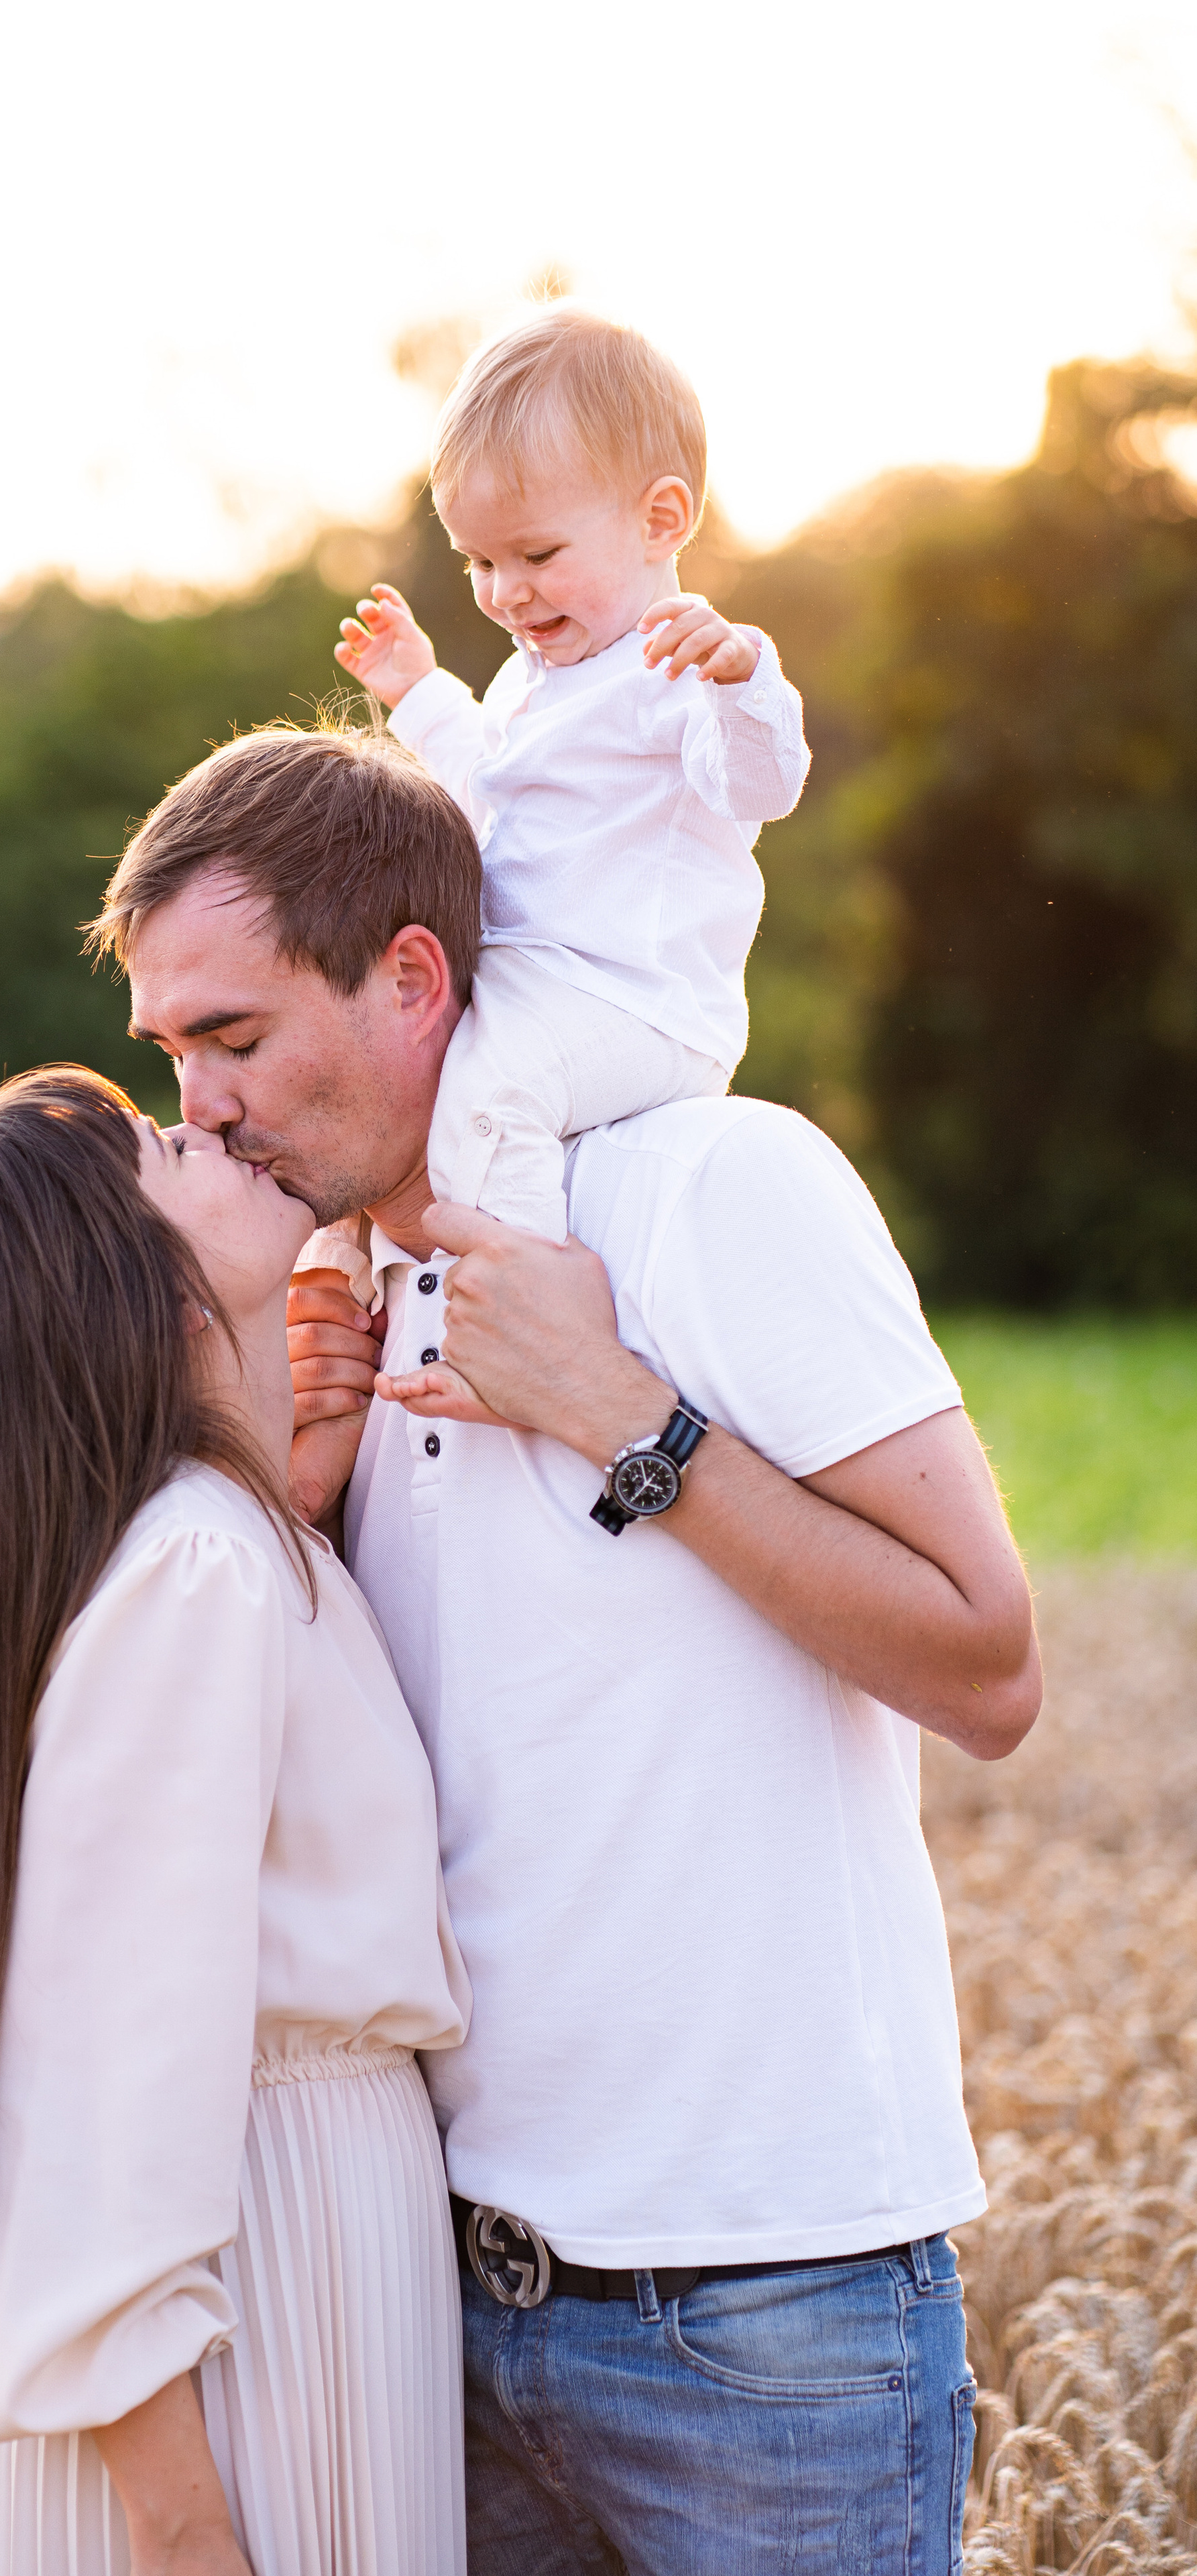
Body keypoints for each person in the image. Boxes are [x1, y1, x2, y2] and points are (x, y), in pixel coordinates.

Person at [92, 723, 1043, 2575]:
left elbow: (989, 1664)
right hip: (443, 2309)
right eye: (172, 1054)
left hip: (766, 2320)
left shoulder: (717, 1186)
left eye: (236, 1037)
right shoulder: (343, 1301)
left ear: (413, 981)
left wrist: (629, 1420)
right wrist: (295, 1498)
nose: (200, 1106)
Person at [0, 1065, 471, 2576]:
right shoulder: (196, 1574)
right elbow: (95, 2093)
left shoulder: (227, 1546)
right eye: (167, 1149)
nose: (208, 1126)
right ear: (132, 1285)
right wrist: (184, 2534)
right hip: (255, 2296)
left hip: (281, 2257)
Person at [298, 305, 809, 1311]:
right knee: (377, 1066)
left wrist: (742, 678)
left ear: (661, 521)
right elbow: (485, 789)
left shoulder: (683, 664)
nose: (506, 593)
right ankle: (354, 1295)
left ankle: (522, 1319)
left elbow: (760, 786)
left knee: (494, 1093)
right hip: (538, 983)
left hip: (637, 996)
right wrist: (422, 690)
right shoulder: (535, 678)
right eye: (479, 562)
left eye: (535, 555)